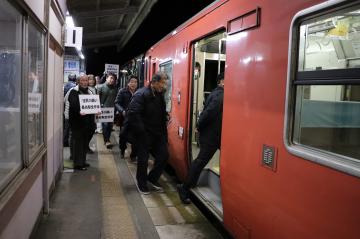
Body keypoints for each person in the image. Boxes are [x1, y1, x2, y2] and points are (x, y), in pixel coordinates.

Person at [177, 72, 224, 204]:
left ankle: (189, 185)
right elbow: (208, 113)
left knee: (200, 161)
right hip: (212, 136)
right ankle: (184, 188)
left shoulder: (214, 93)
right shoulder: (220, 95)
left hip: (211, 134)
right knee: (200, 162)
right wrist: (198, 125)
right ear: (221, 81)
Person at [127, 72, 169, 194]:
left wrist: (165, 116)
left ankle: (152, 179)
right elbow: (133, 114)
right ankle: (141, 183)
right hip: (144, 133)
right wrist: (142, 132)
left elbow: (160, 112)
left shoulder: (160, 94)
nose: (164, 86)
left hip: (158, 133)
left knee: (164, 155)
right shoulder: (141, 94)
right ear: (154, 82)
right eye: (162, 83)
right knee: (143, 160)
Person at [66, 73, 95, 170]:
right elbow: (73, 104)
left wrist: (96, 110)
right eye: (82, 80)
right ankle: (78, 164)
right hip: (77, 123)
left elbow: (93, 104)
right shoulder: (74, 91)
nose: (84, 82)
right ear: (78, 81)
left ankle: (83, 161)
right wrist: (79, 111)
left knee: (84, 143)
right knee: (78, 143)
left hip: (87, 123)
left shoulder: (89, 92)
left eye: (86, 80)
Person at [114, 75, 138, 160]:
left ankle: (134, 155)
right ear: (128, 83)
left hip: (136, 119)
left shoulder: (139, 92)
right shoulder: (122, 91)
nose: (133, 84)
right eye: (131, 82)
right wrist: (122, 111)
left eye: (135, 82)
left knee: (136, 137)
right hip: (125, 118)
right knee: (123, 135)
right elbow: (116, 103)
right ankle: (122, 150)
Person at [98, 73, 117, 148]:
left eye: (113, 79)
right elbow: (97, 99)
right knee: (105, 126)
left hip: (112, 110)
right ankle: (106, 141)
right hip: (103, 110)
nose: (112, 80)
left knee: (110, 126)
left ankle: (107, 139)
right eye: (111, 78)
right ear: (106, 78)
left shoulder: (115, 88)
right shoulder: (100, 87)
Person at [63, 73, 77, 147]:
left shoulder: (64, 85)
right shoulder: (74, 87)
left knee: (66, 127)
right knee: (71, 129)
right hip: (71, 109)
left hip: (65, 108)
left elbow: (64, 100)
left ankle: (65, 142)